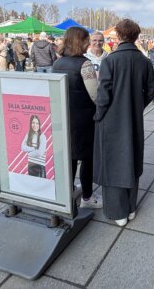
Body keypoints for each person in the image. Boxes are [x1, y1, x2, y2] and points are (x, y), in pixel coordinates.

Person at [93, 19, 154, 226]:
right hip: (134, 118)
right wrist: (136, 106)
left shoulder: (110, 60)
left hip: (111, 119)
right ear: (136, 37)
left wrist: (98, 116)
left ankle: (118, 212)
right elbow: (151, 92)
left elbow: (103, 95)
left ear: (118, 36)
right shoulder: (144, 61)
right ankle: (130, 207)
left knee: (113, 163)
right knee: (132, 158)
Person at [53, 27, 102, 208]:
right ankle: (88, 197)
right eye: (87, 40)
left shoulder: (57, 63)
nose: (89, 43)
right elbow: (95, 95)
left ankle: (69, 190)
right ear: (80, 41)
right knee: (87, 158)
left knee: (70, 155)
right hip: (84, 118)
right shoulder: (85, 64)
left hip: (64, 116)